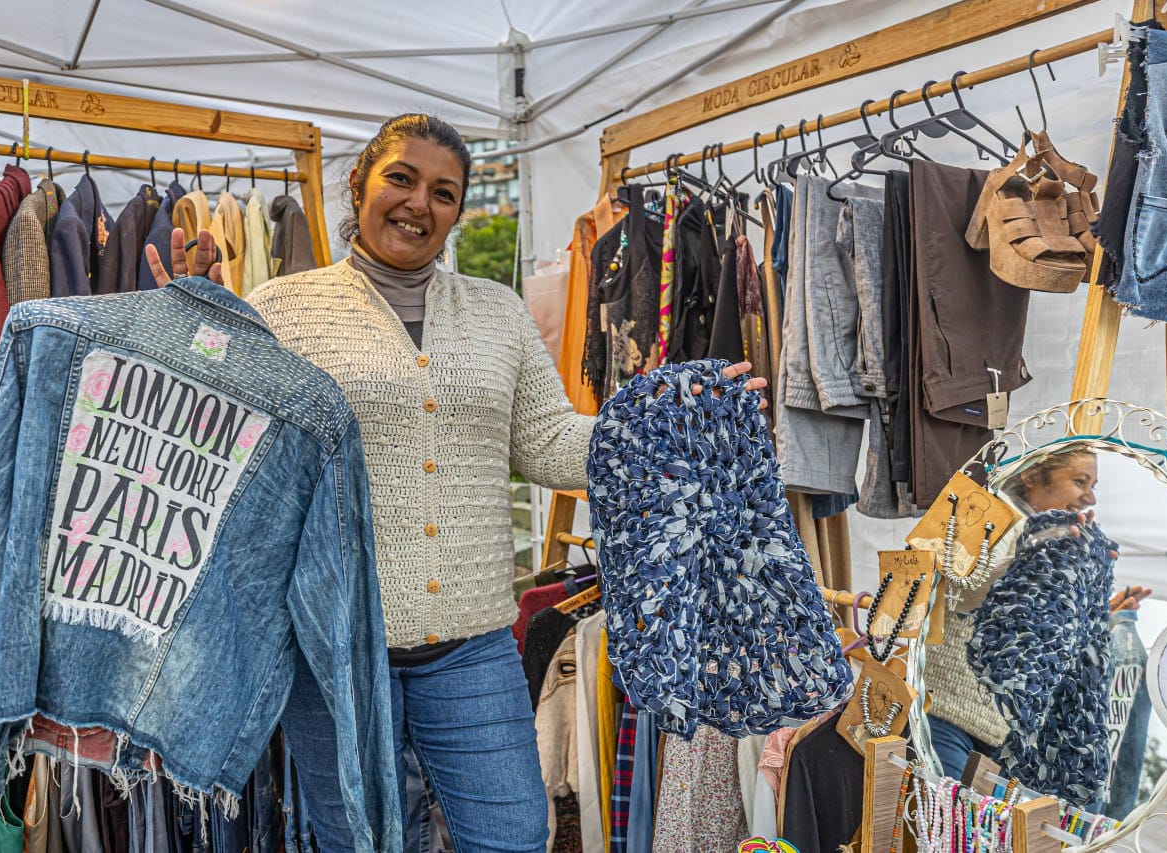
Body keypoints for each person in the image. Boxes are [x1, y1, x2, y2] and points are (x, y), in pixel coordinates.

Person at [147, 113, 765, 852]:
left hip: (473, 648)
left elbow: (549, 443)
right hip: (337, 654)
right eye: (401, 179)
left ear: (457, 212)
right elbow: (221, 447)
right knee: (364, 843)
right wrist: (193, 341)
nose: (419, 203)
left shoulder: (497, 312)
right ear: (359, 184)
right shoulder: (284, 308)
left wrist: (663, 425)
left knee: (514, 836)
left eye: (443, 193)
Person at [924, 446, 1148, 783]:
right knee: (942, 814)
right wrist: (1035, 551)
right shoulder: (987, 510)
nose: (1090, 498)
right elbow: (953, 589)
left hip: (1000, 734)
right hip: (946, 713)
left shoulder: (1056, 544)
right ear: (1031, 476)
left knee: (967, 816)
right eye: (1079, 481)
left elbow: (1041, 629)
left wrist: (1101, 613)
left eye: (1093, 486)